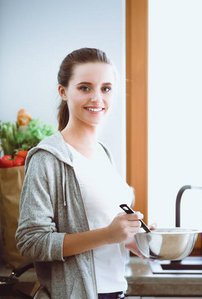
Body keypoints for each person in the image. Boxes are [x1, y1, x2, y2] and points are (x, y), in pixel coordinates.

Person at [15, 48, 153, 299]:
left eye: (106, 88)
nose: (97, 98)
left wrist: (132, 238)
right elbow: (30, 242)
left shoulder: (104, 154)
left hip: (116, 291)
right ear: (63, 91)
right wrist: (107, 234)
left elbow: (101, 229)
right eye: (85, 88)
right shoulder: (47, 158)